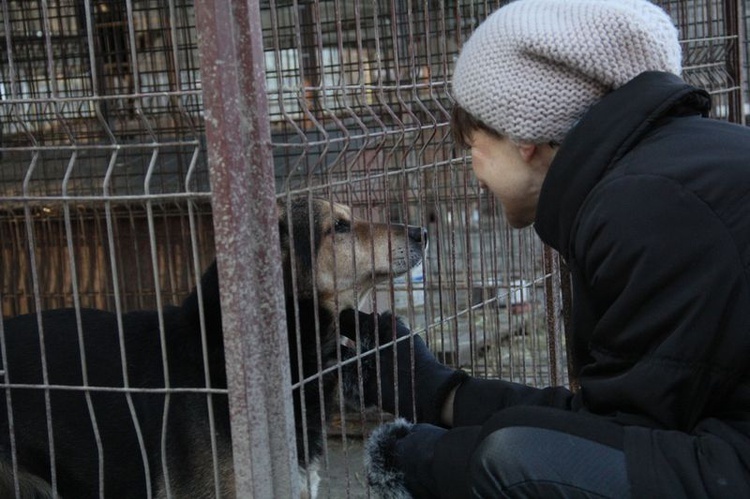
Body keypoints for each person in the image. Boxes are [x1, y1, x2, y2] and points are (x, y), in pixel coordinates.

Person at [338, 0, 750, 497]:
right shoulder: (668, 171)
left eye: (473, 145)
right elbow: (615, 424)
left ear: (522, 136)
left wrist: (422, 460)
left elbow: (614, 444)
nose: (474, 170)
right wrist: (440, 392)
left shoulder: (643, 206)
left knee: (512, 460)